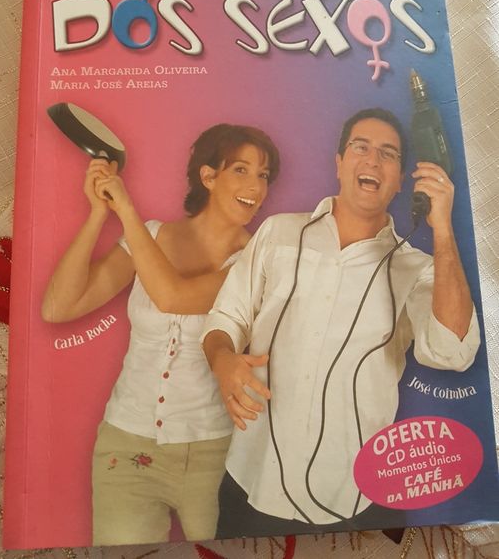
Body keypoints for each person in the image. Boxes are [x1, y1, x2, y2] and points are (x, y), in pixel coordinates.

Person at [202, 107, 480, 538]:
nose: (373, 160)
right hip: (251, 478)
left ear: (401, 178)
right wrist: (222, 359)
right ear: (339, 162)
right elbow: (226, 316)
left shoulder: (420, 268)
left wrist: (442, 229)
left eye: (388, 154)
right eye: (360, 147)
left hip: (356, 495)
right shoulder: (278, 232)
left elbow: (452, 353)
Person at [41, 123, 280, 545]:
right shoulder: (151, 235)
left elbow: (172, 297)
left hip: (215, 453)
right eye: (241, 170)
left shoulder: (257, 261)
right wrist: (98, 215)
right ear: (208, 176)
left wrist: (126, 211)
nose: (256, 187)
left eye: (263, 175)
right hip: (125, 445)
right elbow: (59, 307)